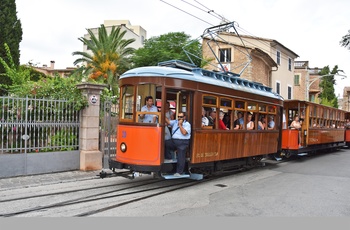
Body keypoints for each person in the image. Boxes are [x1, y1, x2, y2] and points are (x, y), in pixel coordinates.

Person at [164, 112, 191, 176]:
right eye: (178, 117)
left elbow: (184, 133)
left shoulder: (187, 124)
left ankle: (179, 172)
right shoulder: (175, 122)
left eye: (181, 117)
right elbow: (168, 122)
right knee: (165, 143)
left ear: (184, 117)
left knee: (181, 156)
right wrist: (162, 113)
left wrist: (180, 125)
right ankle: (169, 158)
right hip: (174, 141)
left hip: (183, 142)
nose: (179, 118)